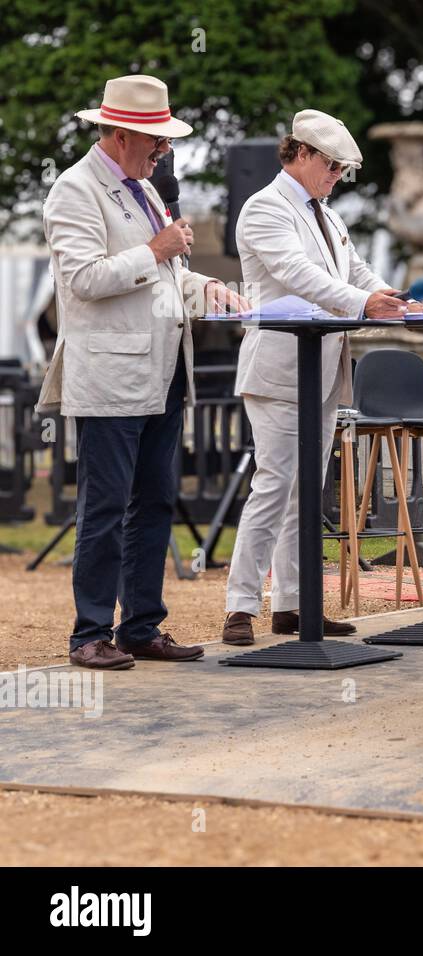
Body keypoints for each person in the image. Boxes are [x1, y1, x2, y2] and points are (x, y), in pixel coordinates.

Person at [38, 75, 249, 670]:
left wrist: (204, 285)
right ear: (123, 133)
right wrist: (155, 252)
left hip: (162, 372)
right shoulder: (74, 190)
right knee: (105, 507)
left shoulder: (145, 190)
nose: (164, 152)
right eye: (156, 141)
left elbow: (165, 274)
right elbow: (83, 280)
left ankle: (140, 626)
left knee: (155, 500)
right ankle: (88, 635)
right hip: (110, 375)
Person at [220, 110, 419, 646]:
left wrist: (393, 300)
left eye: (341, 169)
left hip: (323, 366)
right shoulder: (264, 207)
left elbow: (353, 271)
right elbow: (296, 276)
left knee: (305, 492)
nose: (336, 176)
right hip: (280, 368)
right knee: (275, 484)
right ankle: (241, 605)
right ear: (300, 153)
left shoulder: (328, 216)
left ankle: (293, 604)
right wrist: (365, 303)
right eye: (331, 165)